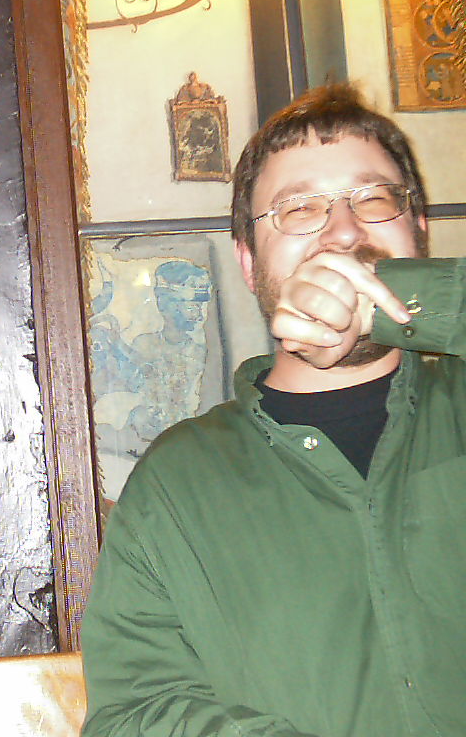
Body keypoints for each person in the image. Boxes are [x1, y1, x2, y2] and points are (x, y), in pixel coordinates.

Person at [81, 82, 466, 737]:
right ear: (249, 262)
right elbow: (131, 716)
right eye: (299, 209)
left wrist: (411, 303)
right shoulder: (177, 483)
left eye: (374, 199)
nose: (344, 231)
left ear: (419, 231)